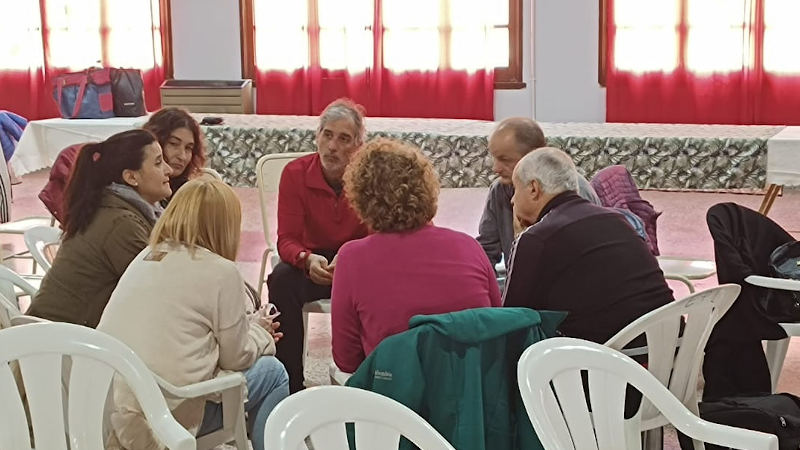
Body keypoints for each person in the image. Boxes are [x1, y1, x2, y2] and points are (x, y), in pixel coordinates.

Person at [98, 178, 288, 450]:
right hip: (165, 417)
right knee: (273, 373)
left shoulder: (147, 256)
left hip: (112, 409)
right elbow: (238, 357)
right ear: (226, 226)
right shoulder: (221, 271)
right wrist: (260, 332)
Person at [331, 138, 502, 373]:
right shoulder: (469, 246)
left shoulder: (352, 258)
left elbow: (346, 360)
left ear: (361, 199)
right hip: (473, 395)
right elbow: (496, 327)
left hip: (396, 400)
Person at [502, 147, 672, 344]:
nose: (513, 200)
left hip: (608, 363)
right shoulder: (618, 219)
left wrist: (519, 236)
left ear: (533, 188)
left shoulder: (538, 238)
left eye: (515, 189)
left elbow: (511, 321)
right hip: (673, 348)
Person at [267, 98, 370, 392]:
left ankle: (365, 377)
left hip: (354, 262)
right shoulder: (295, 174)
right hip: (310, 263)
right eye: (327, 135)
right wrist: (306, 259)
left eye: (344, 139)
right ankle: (289, 384)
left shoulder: (366, 179)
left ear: (358, 146)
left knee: (384, 281)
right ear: (317, 136)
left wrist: (349, 261)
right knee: (281, 280)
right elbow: (285, 239)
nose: (332, 146)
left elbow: (378, 236)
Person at [28, 129, 172, 327]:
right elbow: (159, 290)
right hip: (59, 344)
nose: (169, 170)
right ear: (131, 177)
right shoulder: (121, 224)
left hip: (56, 333)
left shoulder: (113, 207)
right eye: (158, 163)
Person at [477, 117, 601, 270]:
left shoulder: (576, 193)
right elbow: (485, 252)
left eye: (504, 159)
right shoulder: (500, 190)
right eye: (494, 158)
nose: (495, 168)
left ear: (534, 156)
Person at [142, 107, 207, 201]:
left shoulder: (190, 193)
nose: (182, 156)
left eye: (188, 148)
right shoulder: (139, 193)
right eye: (173, 144)